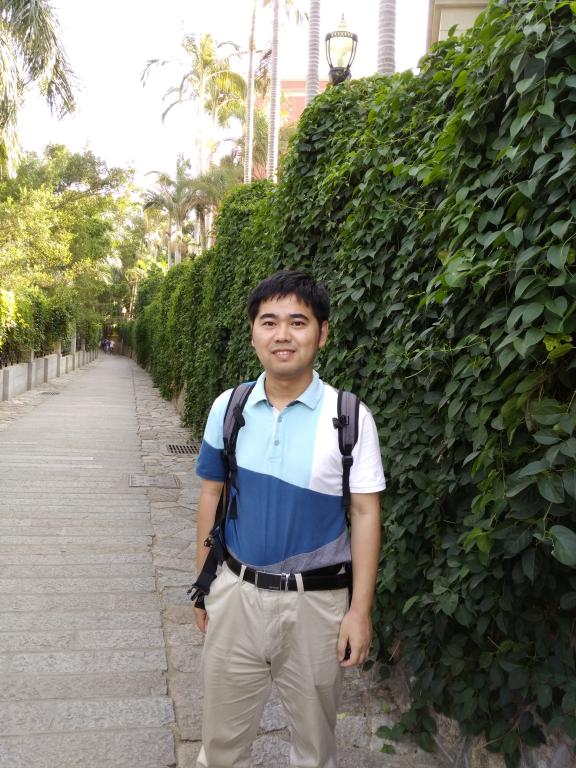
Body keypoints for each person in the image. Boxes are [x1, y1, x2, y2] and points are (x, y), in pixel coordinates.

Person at [194, 270, 385, 768]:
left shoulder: (350, 417)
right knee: (221, 746)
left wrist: (359, 611)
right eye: (269, 322)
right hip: (236, 595)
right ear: (253, 332)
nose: (283, 335)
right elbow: (211, 493)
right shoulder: (229, 407)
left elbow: (366, 513)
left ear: (322, 333)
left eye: (298, 322)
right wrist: (203, 586)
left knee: (314, 749)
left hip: (317, 606)